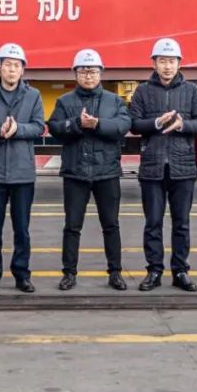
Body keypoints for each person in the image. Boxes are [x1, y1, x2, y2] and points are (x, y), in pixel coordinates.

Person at [129, 38, 197, 292]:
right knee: (153, 222)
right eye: (162, 61)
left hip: (182, 167)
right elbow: (133, 124)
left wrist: (183, 125)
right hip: (152, 168)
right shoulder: (143, 91)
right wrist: (156, 123)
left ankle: (180, 271)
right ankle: (154, 270)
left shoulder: (191, 90)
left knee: (181, 223)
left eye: (172, 61)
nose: (167, 66)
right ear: (153, 63)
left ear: (179, 63)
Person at [47, 48, 130, 291]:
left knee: (111, 225)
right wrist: (76, 123)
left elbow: (123, 125)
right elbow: (54, 128)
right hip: (76, 173)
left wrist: (98, 124)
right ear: (75, 74)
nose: (88, 75)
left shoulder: (114, 101)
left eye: (93, 71)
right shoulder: (65, 102)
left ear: (101, 73)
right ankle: (69, 273)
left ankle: (115, 272)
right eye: (83, 71)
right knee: (72, 225)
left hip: (107, 172)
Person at [0, 43, 45, 294]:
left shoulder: (33, 95)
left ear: (23, 70)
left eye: (16, 65)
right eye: (7, 65)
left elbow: (39, 126)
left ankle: (22, 274)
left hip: (23, 173)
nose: (12, 69)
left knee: (21, 229)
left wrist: (17, 130)